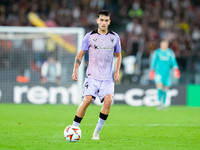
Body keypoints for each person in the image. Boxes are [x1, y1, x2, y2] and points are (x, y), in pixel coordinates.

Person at [71, 10, 122, 140]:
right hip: (92, 76)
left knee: (108, 101)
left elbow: (118, 55)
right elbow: (80, 55)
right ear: (97, 21)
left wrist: (117, 71)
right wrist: (75, 70)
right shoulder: (90, 36)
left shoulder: (114, 37)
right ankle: (74, 128)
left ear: (109, 22)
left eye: (106, 20)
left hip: (107, 78)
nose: (104, 23)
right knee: (87, 100)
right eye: (102, 20)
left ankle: (96, 132)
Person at [149, 40, 180, 109]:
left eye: (165, 44)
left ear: (167, 45)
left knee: (166, 88)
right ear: (160, 45)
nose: (164, 45)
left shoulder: (170, 53)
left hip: (167, 74)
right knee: (159, 87)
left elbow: (173, 62)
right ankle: (158, 102)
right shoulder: (157, 52)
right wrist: (152, 71)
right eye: (163, 44)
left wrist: (176, 70)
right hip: (159, 73)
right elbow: (153, 62)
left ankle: (164, 104)